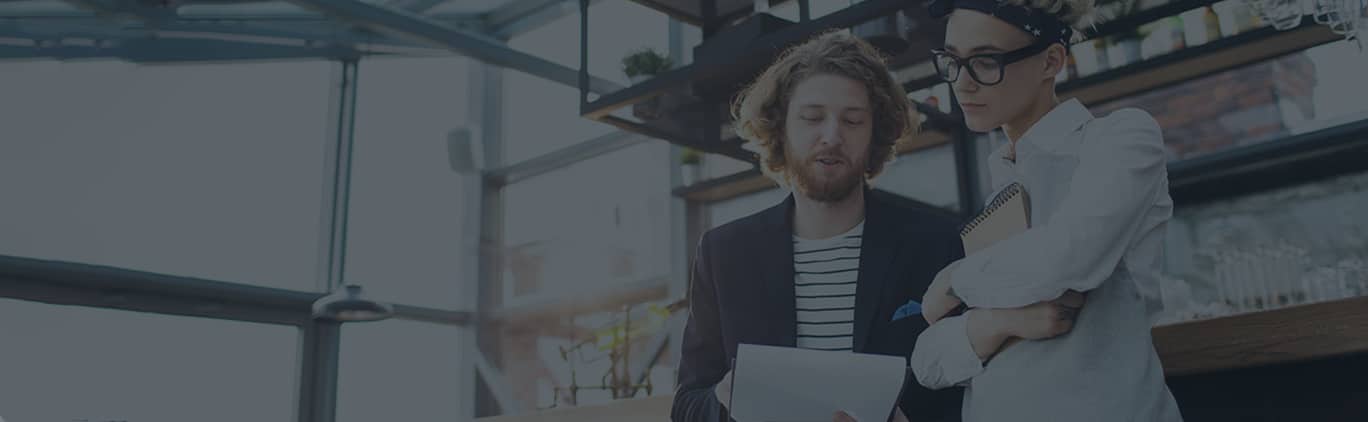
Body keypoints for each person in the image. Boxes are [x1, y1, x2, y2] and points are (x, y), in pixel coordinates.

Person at [907, 0, 1184, 421]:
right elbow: (927, 360)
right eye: (952, 62)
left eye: (985, 61)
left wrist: (955, 280)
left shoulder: (1119, 138)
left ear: (1051, 61)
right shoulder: (999, 191)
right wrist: (997, 323)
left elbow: (1069, 256)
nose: (962, 84)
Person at [670, 30, 966, 422]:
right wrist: (725, 397)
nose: (831, 136)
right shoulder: (723, 253)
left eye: (853, 120)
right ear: (781, 129)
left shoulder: (936, 243)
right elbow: (686, 406)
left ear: (874, 134)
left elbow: (967, 393)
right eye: (812, 118)